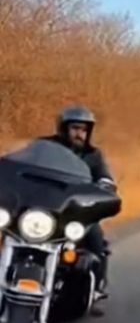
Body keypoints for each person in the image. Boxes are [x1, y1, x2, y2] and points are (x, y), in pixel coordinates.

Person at [41, 104, 117, 301]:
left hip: (74, 211)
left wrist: (106, 184)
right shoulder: (45, 147)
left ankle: (97, 285)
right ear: (64, 128)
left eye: (83, 130)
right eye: (75, 128)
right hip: (42, 207)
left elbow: (104, 176)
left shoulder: (93, 155)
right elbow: (25, 161)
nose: (79, 134)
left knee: (95, 235)